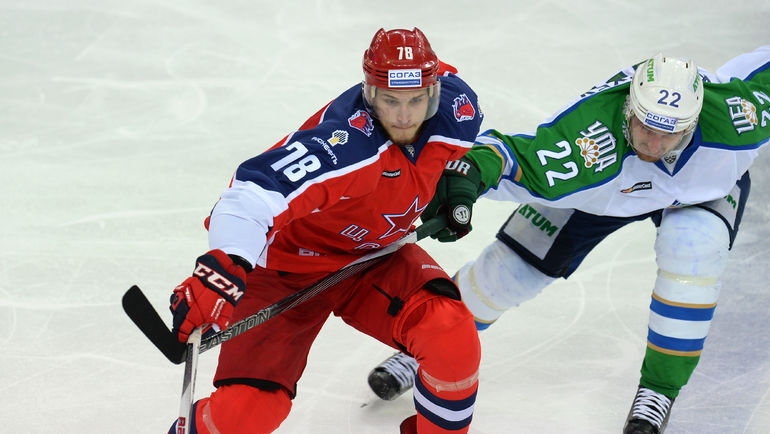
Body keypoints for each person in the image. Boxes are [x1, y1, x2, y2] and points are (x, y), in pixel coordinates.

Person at [367, 46, 770, 433]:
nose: (653, 144)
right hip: (603, 191)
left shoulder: (738, 117)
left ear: (694, 122)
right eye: (644, 126)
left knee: (694, 254)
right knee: (508, 271)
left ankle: (658, 391)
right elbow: (516, 157)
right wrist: (468, 172)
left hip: (701, 193)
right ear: (628, 109)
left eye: (670, 134)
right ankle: (426, 349)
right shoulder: (588, 143)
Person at [164, 27, 484, 434]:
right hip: (285, 272)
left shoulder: (458, 111)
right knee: (245, 415)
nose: (404, 116)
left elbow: (475, 150)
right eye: (390, 100)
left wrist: (457, 181)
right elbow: (251, 194)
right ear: (370, 94)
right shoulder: (346, 145)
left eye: (416, 100)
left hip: (374, 259)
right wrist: (222, 266)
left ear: (434, 92)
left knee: (450, 335)